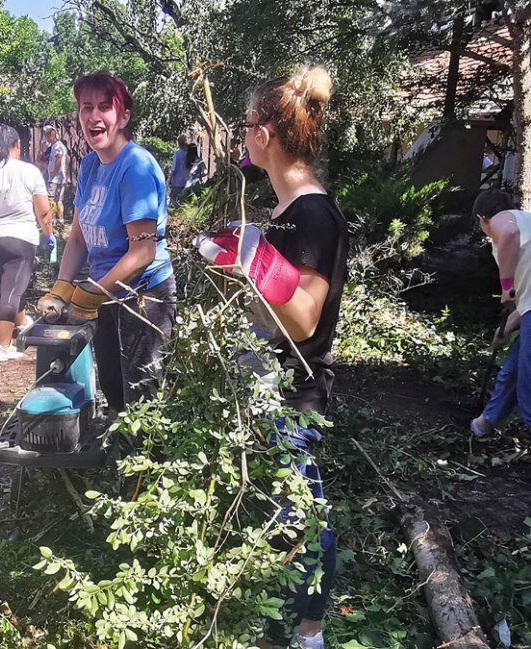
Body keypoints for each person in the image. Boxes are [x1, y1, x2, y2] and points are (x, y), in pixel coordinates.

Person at [194, 66, 346, 648]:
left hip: (294, 392)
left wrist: (247, 274)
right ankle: (272, 614)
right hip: (265, 382)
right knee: (276, 509)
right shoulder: (287, 213)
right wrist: (241, 254)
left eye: (247, 124)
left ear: (268, 135)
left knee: (304, 516)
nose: (241, 134)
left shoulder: (314, 215)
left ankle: (310, 633)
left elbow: (305, 315)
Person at [37, 71, 176, 414]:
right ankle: (120, 461)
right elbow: (80, 235)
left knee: (143, 399)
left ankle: (145, 466)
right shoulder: (89, 166)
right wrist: (62, 285)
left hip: (144, 298)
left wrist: (93, 292)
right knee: (114, 392)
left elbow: (143, 251)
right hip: (106, 293)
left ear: (124, 116)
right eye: (86, 107)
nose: (94, 116)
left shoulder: (137, 168)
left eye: (104, 107)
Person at [0, 124, 54, 361]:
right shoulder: (30, 172)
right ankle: (2, 346)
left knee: (12, 284)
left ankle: (23, 322)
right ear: (16, 146)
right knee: (10, 290)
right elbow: (44, 210)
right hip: (21, 239)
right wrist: (49, 234)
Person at [470, 189, 531, 437]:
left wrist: (506, 286)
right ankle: (486, 423)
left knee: (529, 390)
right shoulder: (526, 220)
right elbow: (525, 305)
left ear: (482, 219)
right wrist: (504, 330)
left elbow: (508, 233)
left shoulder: (502, 220)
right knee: (515, 370)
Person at [43, 125, 69, 222]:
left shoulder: (57, 146)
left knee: (51, 200)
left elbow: (59, 157)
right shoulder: (57, 146)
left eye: (46, 136)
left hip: (54, 179)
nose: (46, 138)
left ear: (51, 136)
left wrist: (54, 172)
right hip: (61, 178)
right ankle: (61, 220)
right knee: (59, 201)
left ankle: (53, 220)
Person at [168, 136, 188, 203]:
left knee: (174, 201)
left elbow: (173, 169)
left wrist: (169, 180)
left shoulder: (177, 154)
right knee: (185, 202)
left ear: (178, 144)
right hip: (188, 182)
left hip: (177, 182)